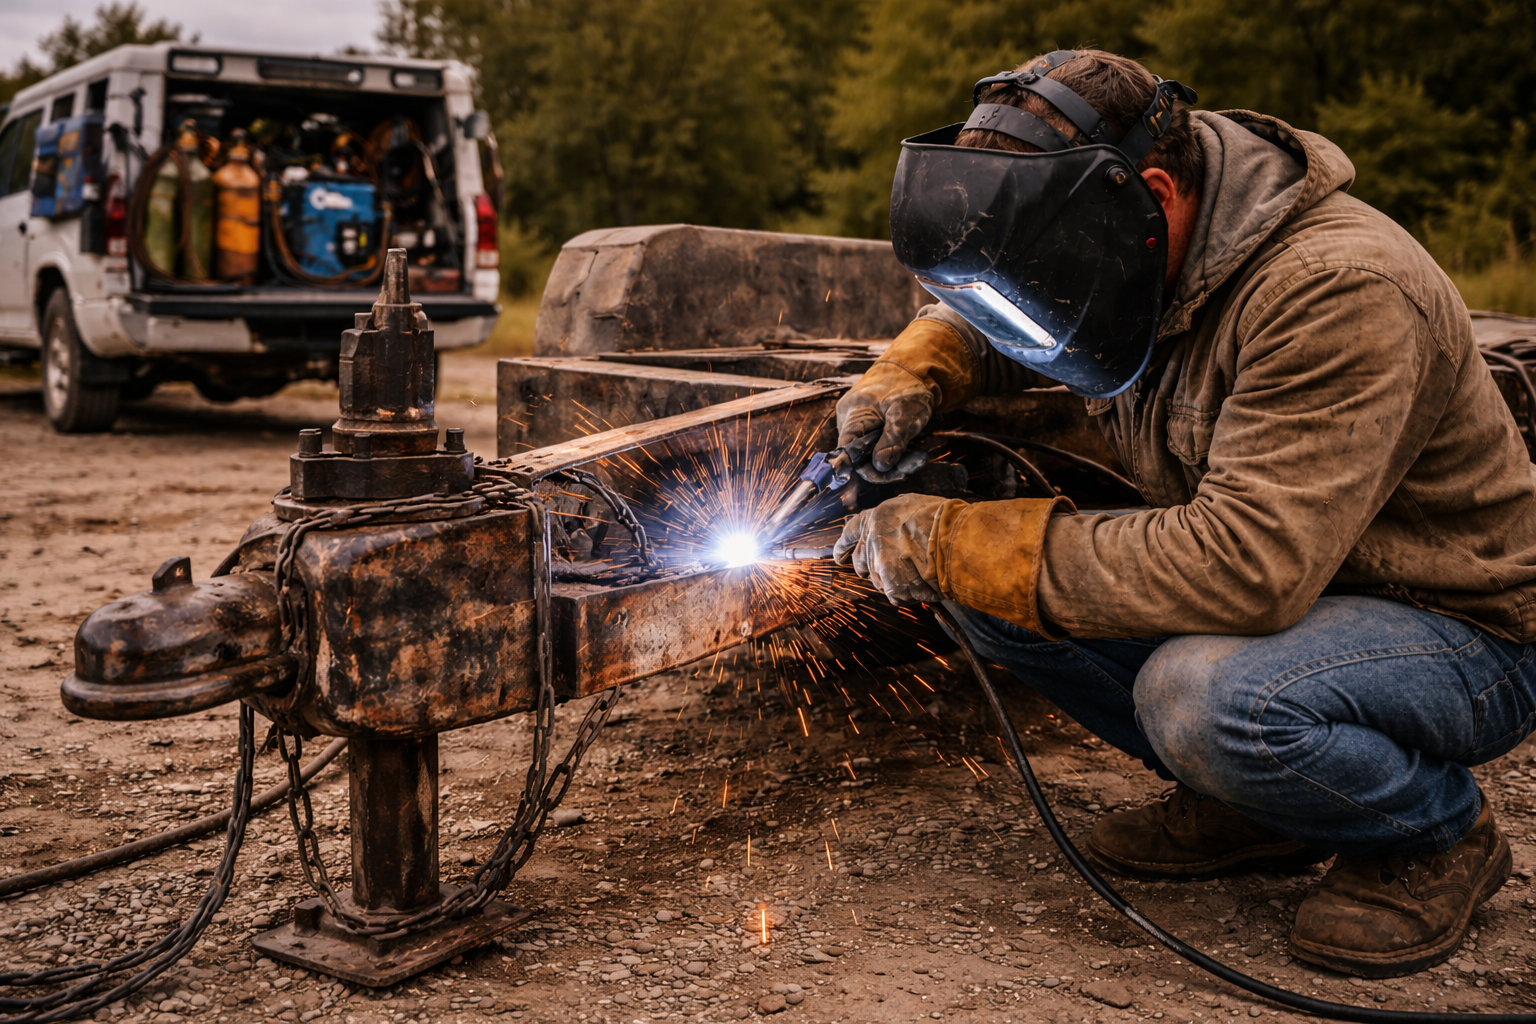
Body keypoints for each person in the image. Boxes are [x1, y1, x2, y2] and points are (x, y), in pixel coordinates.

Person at [833, 48, 1536, 979]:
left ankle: (1437, 836)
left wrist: (958, 542)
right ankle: (1269, 807)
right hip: (1299, 599)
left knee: (1200, 696)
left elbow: (1246, 568)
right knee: (988, 596)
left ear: (1155, 192)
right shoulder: (1140, 244)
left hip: (1455, 628)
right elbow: (1022, 306)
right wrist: (924, 362)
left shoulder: (1338, 290)